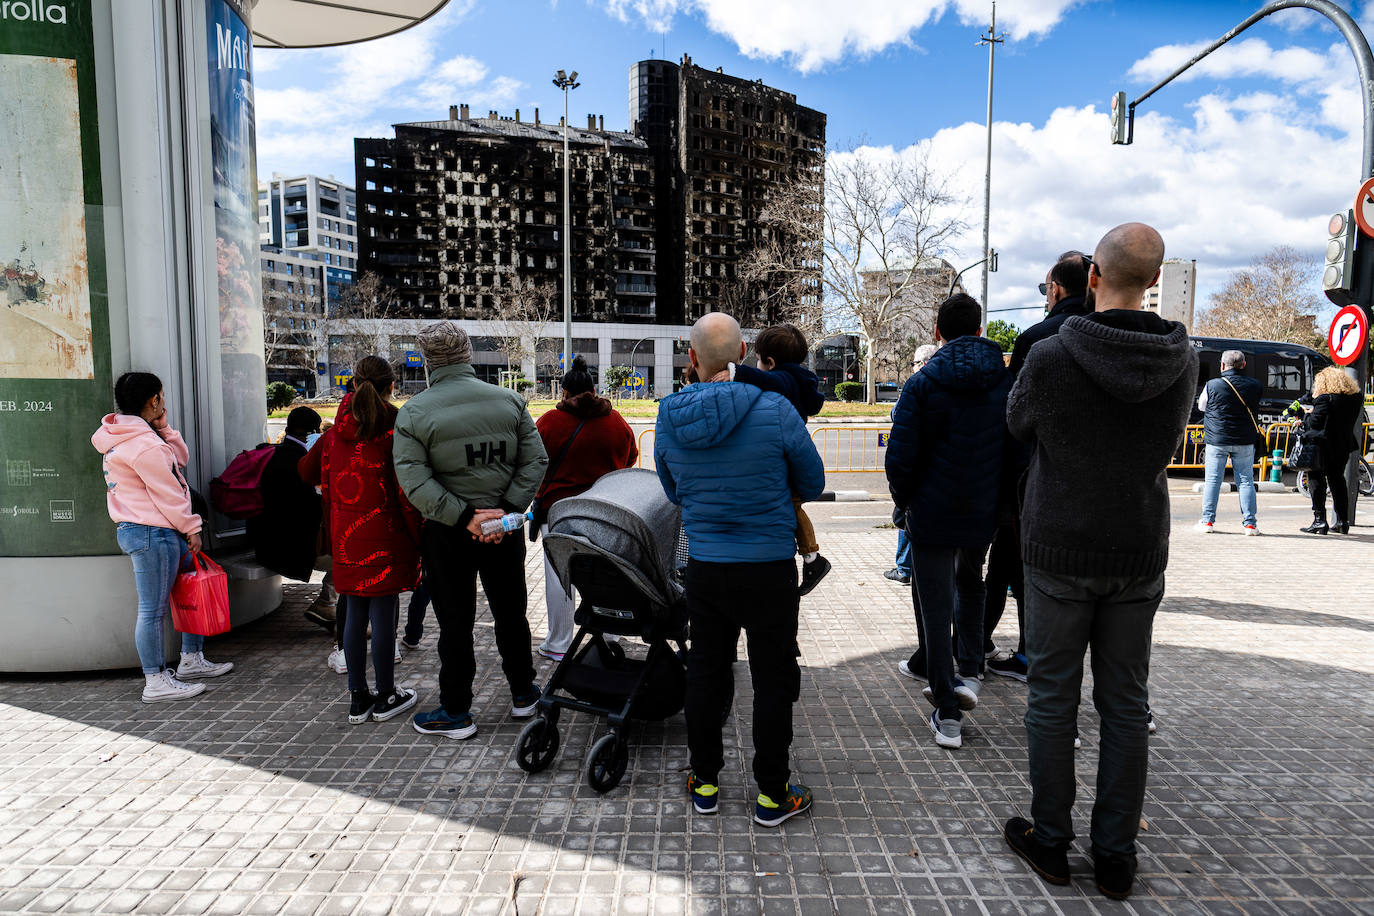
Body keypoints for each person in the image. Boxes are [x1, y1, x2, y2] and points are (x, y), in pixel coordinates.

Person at [1003, 223, 1196, 900]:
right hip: (1139, 548)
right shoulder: (1184, 359)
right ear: (1154, 280)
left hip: (1059, 546)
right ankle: (1115, 856)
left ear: (1093, 277)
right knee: (1125, 704)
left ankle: (1050, 840)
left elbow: (1018, 423)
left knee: (1053, 698)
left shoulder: (1054, 356)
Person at [655, 312, 825, 826]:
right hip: (770, 568)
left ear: (691, 359)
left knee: (707, 671)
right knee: (774, 678)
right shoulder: (775, 408)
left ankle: (704, 781)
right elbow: (812, 482)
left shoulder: (668, 416)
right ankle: (773, 794)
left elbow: (672, 490)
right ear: (745, 353)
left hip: (706, 567)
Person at [393, 321, 548, 740]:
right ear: (468, 356)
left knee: (455, 623)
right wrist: (505, 514)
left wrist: (465, 517)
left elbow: (415, 483)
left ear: (428, 361)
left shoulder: (414, 412)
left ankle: (457, 710)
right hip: (505, 530)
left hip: (447, 533)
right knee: (511, 613)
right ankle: (524, 693)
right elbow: (535, 462)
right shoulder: (510, 401)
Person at [885, 294, 1011, 750]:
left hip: (932, 513)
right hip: (981, 511)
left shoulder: (923, 384)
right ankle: (971, 671)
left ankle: (947, 709)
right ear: (980, 331)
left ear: (937, 332)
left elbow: (900, 458)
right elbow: (1013, 451)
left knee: (934, 605)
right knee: (972, 583)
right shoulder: (1004, 380)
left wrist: (906, 504)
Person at [93, 371, 234, 702]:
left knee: (185, 595)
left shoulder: (125, 437)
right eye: (161, 396)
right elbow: (169, 491)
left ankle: (191, 659)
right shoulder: (143, 446)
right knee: (153, 610)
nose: (164, 401)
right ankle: (156, 680)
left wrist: (163, 427)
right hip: (153, 531)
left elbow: (178, 461)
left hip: (147, 530)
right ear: (153, 399)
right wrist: (192, 527)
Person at [985, 252, 1089, 683]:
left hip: (1033, 479)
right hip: (1100, 489)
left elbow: (1016, 416)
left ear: (1056, 289)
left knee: (1011, 565)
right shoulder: (1118, 336)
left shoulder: (1038, 340)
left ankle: (990, 651)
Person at [305, 356, 421, 725]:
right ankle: (386, 693)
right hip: (385, 536)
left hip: (346, 537)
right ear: (391, 387)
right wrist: (420, 537)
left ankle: (359, 697)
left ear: (352, 384)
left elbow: (305, 470)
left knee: (352, 611)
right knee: (384, 613)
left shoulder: (334, 431)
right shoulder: (395, 430)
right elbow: (406, 492)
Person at [533, 355, 638, 661]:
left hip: (559, 513)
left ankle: (559, 643)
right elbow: (629, 459)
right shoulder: (616, 422)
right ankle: (609, 634)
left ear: (564, 393)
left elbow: (534, 464)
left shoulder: (549, 423)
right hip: (604, 512)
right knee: (605, 576)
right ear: (594, 391)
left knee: (559, 578)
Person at [720, 324, 831, 596]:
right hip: (792, 449)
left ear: (770, 362)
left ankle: (813, 558)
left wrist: (735, 372)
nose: (756, 366)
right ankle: (811, 558)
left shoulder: (785, 379)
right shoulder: (801, 379)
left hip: (786, 455)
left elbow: (768, 381)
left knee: (793, 507)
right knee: (792, 506)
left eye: (758, 361)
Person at [248, 407, 324, 582]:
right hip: (288, 552)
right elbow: (312, 508)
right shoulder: (302, 462)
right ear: (312, 433)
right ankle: (326, 602)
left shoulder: (269, 453)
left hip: (262, 545)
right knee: (348, 555)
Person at [886, 344, 938, 587]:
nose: (914, 367)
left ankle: (904, 567)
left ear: (923, 364)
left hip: (918, 469)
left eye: (915, 363)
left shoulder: (916, 385)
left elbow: (897, 416)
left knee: (907, 514)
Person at [1195, 350, 1263, 535]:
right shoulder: (1255, 385)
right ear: (1244, 365)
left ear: (1223, 366)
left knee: (1213, 480)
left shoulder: (1212, 385)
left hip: (1217, 440)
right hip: (1245, 440)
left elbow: (1202, 406)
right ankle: (1250, 524)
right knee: (1246, 481)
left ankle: (1207, 521)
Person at [1298, 366, 1364, 535]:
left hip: (1322, 445)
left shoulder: (1324, 399)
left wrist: (1307, 414)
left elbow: (1315, 423)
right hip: (1343, 444)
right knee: (1337, 479)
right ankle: (1342, 521)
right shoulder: (1355, 398)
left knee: (1315, 478)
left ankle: (1320, 520)